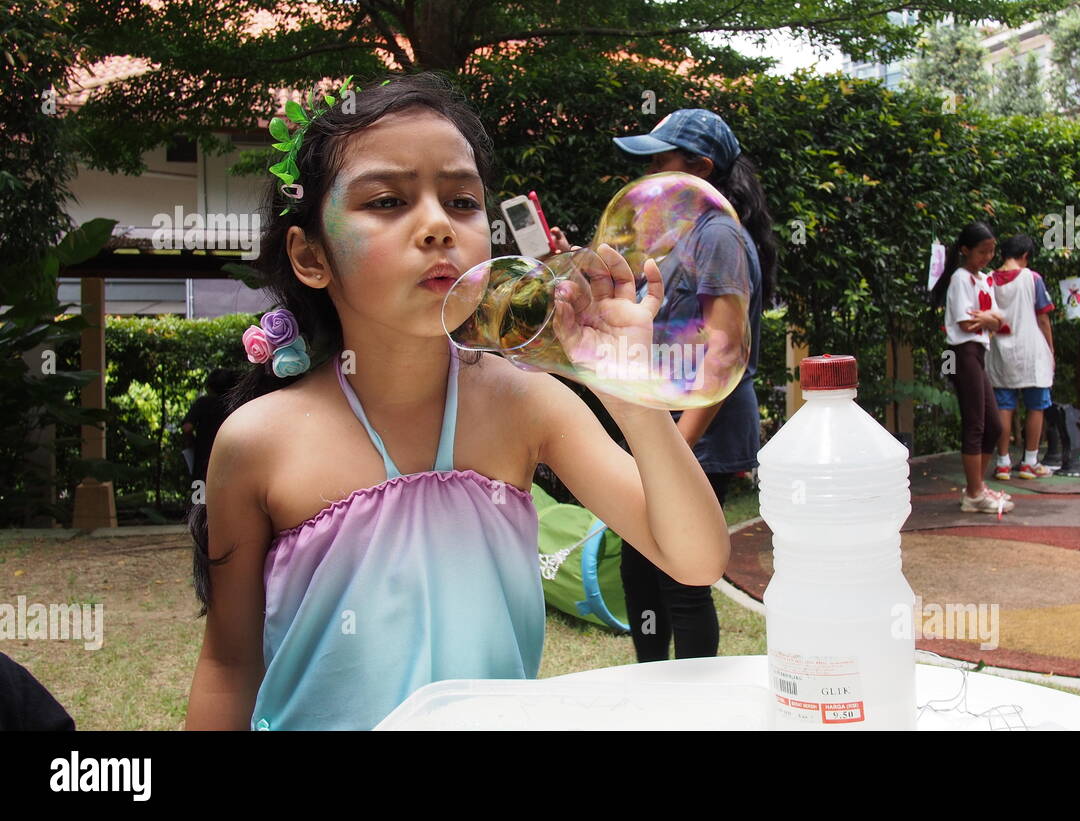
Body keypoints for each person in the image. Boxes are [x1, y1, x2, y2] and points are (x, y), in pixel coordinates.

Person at [183, 73, 731, 730]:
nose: (438, 225)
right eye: (387, 201)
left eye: (463, 201)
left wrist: (629, 393)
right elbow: (229, 663)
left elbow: (696, 556)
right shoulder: (258, 442)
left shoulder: (525, 404)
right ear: (310, 256)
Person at [553, 109, 775, 662]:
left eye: (658, 159)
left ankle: (693, 706)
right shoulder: (685, 236)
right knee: (640, 563)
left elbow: (723, 348)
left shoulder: (720, 234)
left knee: (682, 579)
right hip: (669, 421)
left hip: (702, 424)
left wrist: (673, 443)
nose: (646, 172)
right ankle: (652, 689)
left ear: (698, 168)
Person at [932, 222, 1013, 515]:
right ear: (965, 250)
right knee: (976, 423)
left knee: (994, 425)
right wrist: (992, 320)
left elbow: (1001, 321)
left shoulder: (983, 279)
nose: (988, 256)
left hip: (979, 351)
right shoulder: (960, 279)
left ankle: (976, 488)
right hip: (962, 353)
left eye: (992, 251)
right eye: (982, 251)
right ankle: (975, 492)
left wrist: (991, 320)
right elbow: (968, 323)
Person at [985, 234, 1055, 480]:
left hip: (1000, 352)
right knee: (1036, 406)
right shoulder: (1032, 278)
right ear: (1025, 256)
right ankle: (1030, 462)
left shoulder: (989, 279)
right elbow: (1043, 318)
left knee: (1004, 406)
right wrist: (1050, 349)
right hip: (1031, 350)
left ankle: (1003, 463)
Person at [180, 368, 238, 484]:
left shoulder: (203, 403)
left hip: (203, 463)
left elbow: (187, 427)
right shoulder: (236, 404)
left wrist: (190, 443)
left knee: (201, 499)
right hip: (231, 463)